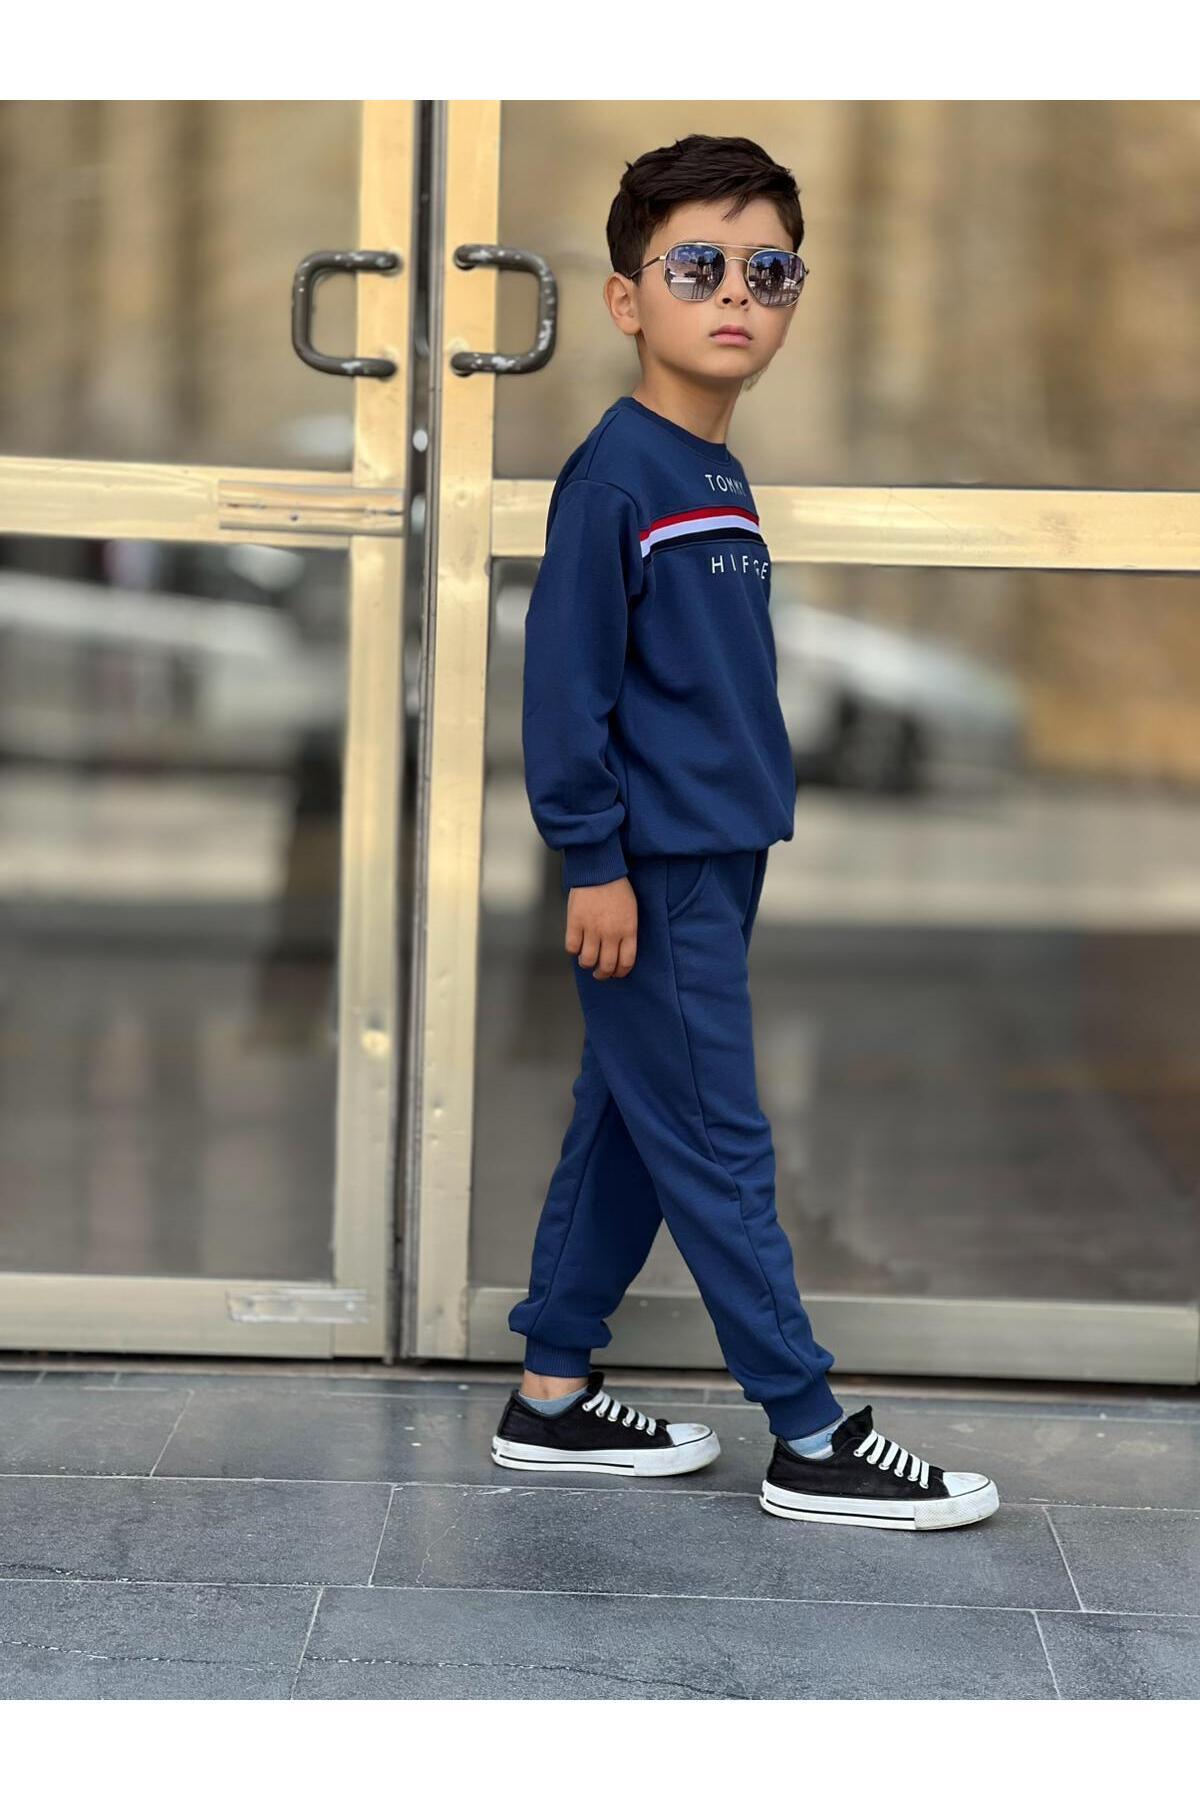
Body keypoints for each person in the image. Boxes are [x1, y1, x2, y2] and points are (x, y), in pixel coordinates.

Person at [493, 133, 999, 1531]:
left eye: (770, 273)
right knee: (715, 1137)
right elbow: (565, 691)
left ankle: (550, 1393)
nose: (737, 295)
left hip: (714, 856)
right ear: (625, 299)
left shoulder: (713, 473)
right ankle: (809, 1430)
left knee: (630, 1123)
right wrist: (592, 860)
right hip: (652, 870)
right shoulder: (618, 475)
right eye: (699, 267)